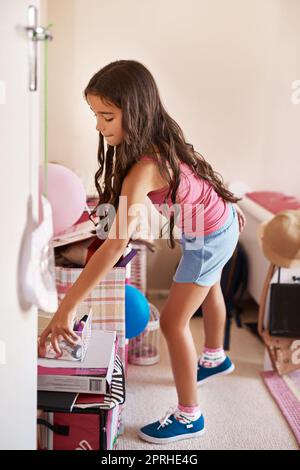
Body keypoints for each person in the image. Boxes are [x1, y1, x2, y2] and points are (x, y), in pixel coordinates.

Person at [39, 59, 246, 444]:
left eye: (106, 116)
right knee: (211, 286)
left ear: (133, 112)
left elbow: (117, 242)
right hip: (221, 220)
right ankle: (216, 357)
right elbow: (195, 180)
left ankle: (190, 416)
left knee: (171, 322)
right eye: (95, 115)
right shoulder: (159, 138)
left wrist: (67, 307)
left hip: (210, 236)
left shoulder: (145, 168)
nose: (98, 127)